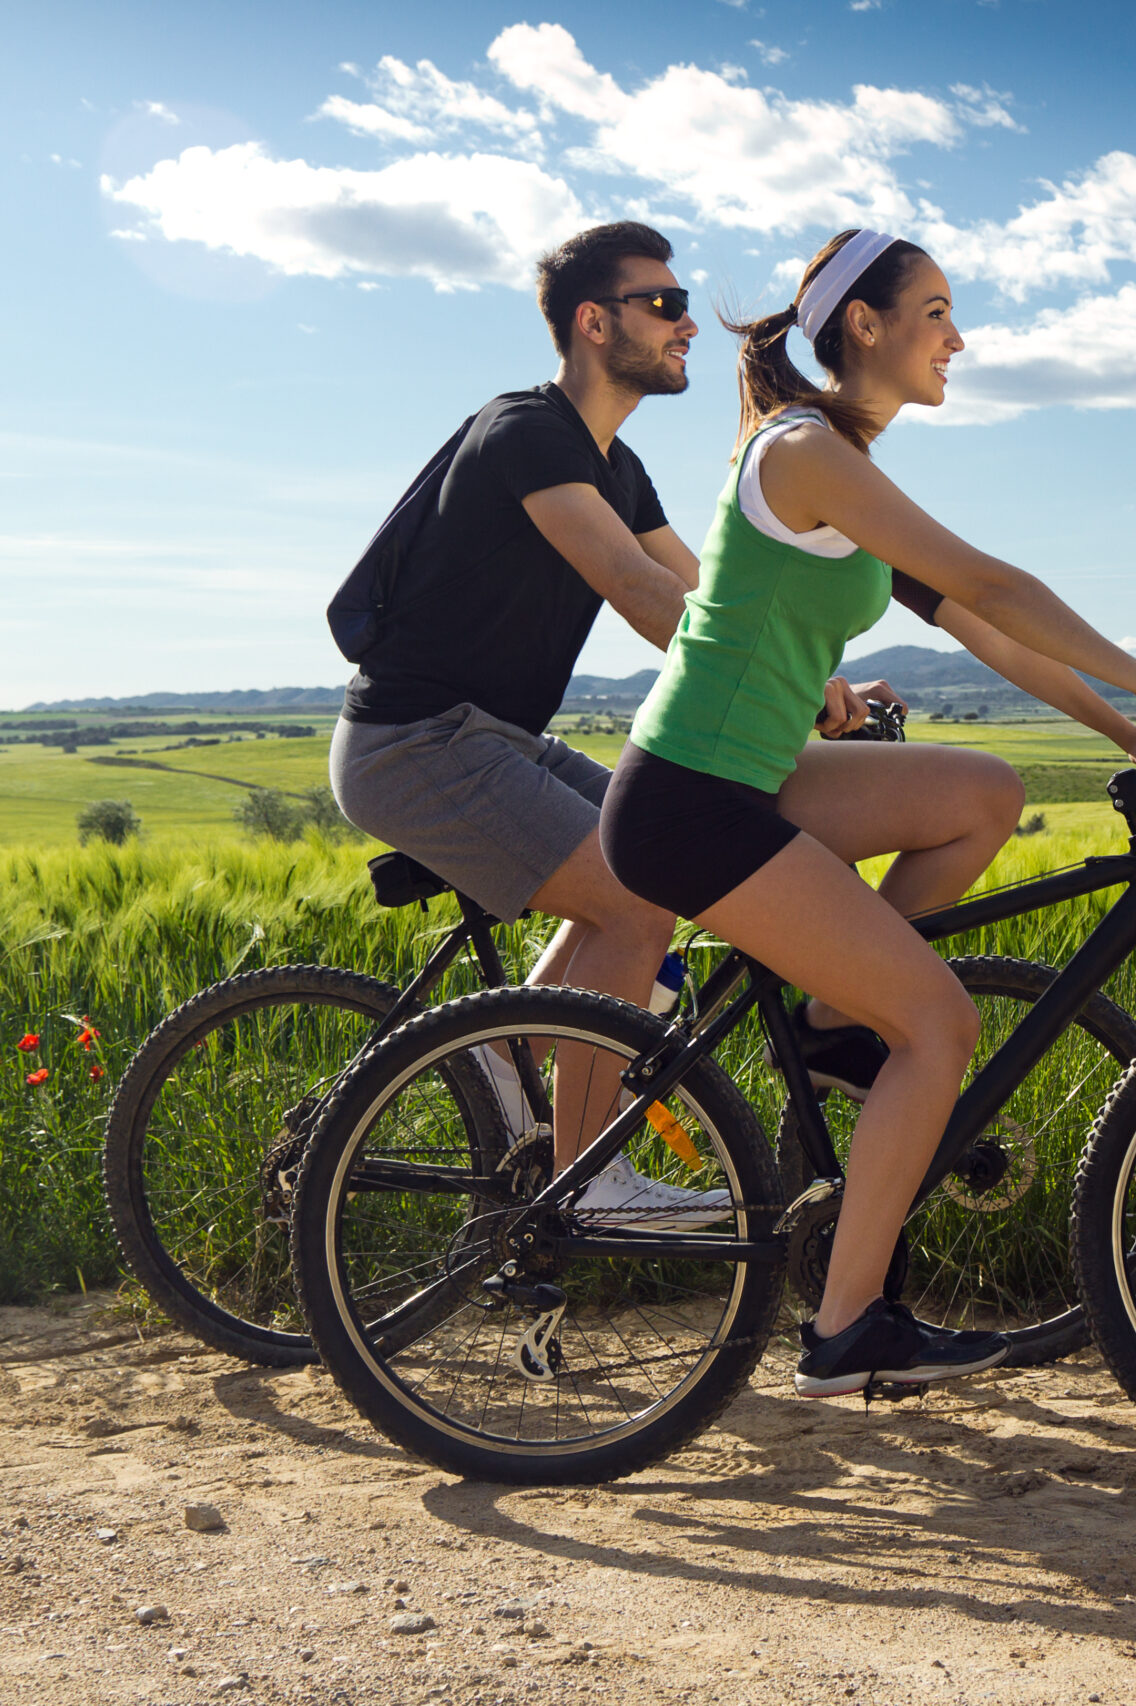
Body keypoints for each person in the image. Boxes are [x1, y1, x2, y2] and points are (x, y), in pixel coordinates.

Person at [599, 227, 1136, 1399]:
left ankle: (839, 1021)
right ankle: (847, 1327)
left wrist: (1135, 736)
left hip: (747, 775)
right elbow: (997, 582)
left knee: (982, 790)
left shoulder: (848, 469)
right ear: (866, 324)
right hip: (692, 800)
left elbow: (983, 627)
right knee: (941, 1027)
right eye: (936, 311)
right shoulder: (806, 453)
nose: (958, 337)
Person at [327, 220, 730, 1225]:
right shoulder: (528, 431)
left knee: (667, 857)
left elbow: (706, 589)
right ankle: (587, 1175)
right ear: (596, 322)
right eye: (665, 304)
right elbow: (637, 586)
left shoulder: (616, 465)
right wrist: (776, 682)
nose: (688, 325)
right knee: (635, 902)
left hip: (491, 736)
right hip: (417, 743)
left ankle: (508, 1068)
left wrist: (824, 674)